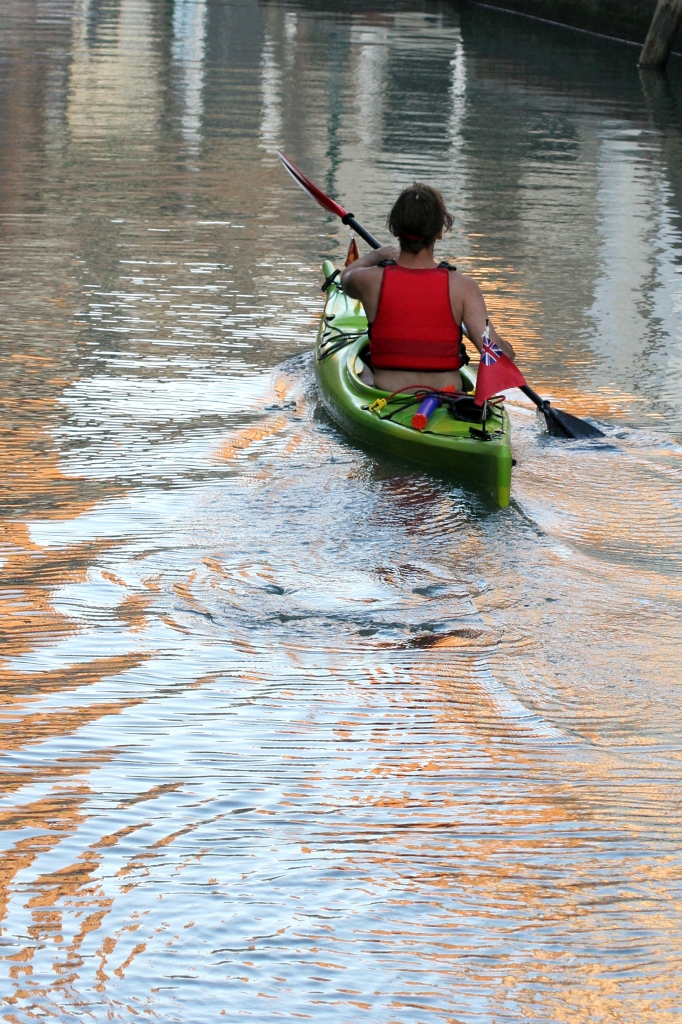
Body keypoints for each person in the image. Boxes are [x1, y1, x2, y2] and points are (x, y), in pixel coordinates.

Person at [340, 183, 516, 393]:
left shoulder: (368, 280)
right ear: (439, 232)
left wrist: (375, 256)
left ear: (395, 228)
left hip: (388, 396)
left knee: (364, 367)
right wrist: (508, 350)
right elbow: (496, 356)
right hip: (447, 399)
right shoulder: (464, 287)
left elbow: (345, 278)